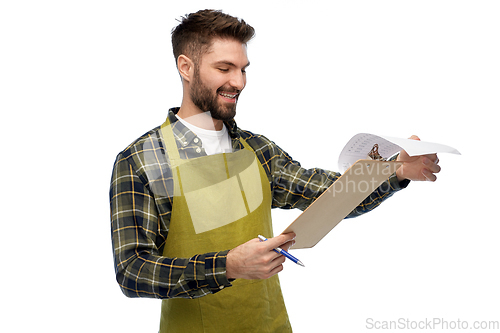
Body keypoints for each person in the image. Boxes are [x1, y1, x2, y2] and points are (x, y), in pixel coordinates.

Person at [109, 9, 441, 332]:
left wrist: (395, 171)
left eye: (242, 69)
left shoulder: (258, 150)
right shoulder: (142, 160)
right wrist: (228, 266)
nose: (237, 82)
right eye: (224, 68)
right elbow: (133, 270)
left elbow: (329, 196)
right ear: (186, 66)